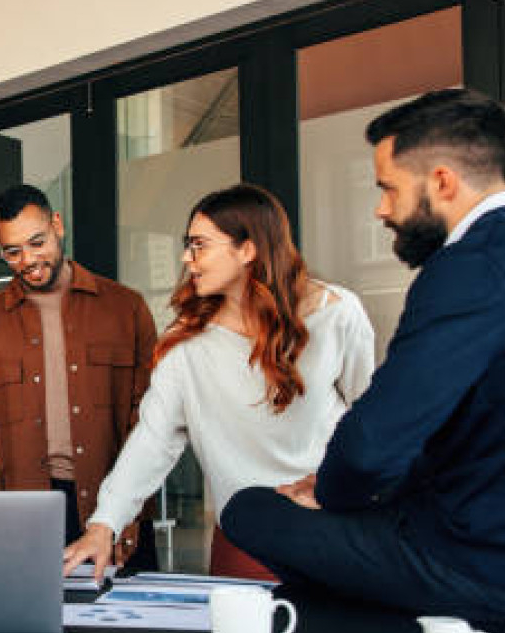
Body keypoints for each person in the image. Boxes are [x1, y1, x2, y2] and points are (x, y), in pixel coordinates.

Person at [222, 88, 505, 626]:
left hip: (475, 564)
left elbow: (371, 447)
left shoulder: (471, 268)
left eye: (388, 188)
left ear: (444, 182)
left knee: (250, 510)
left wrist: (327, 494)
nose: (381, 209)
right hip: (479, 526)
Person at [63, 184, 375, 582]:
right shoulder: (186, 341)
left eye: (199, 245)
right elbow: (153, 440)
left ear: (247, 250)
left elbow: (369, 420)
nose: (186, 258)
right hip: (244, 539)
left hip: (333, 529)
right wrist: (103, 524)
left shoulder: (338, 313)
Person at [0, 184, 158, 570]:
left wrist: (126, 511)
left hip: (113, 505)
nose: (28, 260)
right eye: (13, 252)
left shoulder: (126, 309)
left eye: (37, 242)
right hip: (23, 515)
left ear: (57, 225)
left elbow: (148, 418)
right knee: (29, 628)